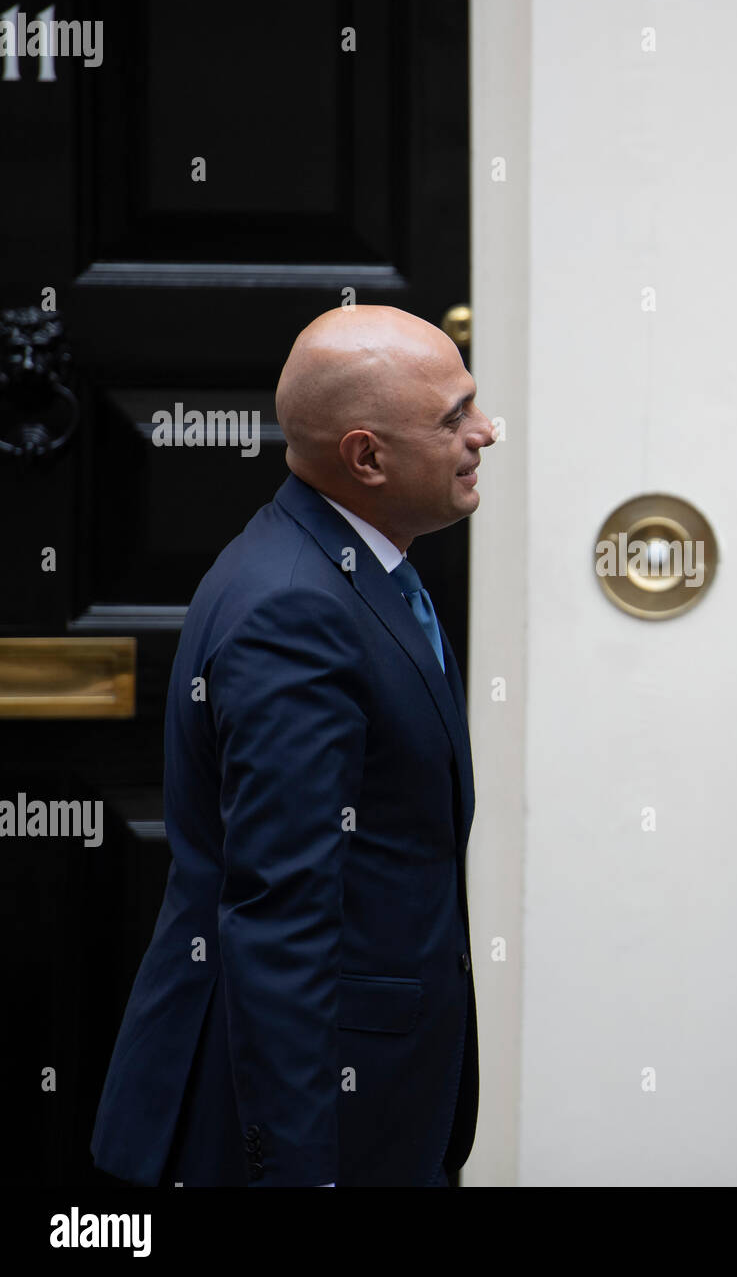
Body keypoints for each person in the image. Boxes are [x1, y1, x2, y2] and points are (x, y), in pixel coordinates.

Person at [91, 305, 494, 1186]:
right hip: (295, 1122)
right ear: (367, 457)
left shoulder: (354, 568)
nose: (484, 432)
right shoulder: (294, 611)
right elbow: (282, 913)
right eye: (452, 416)